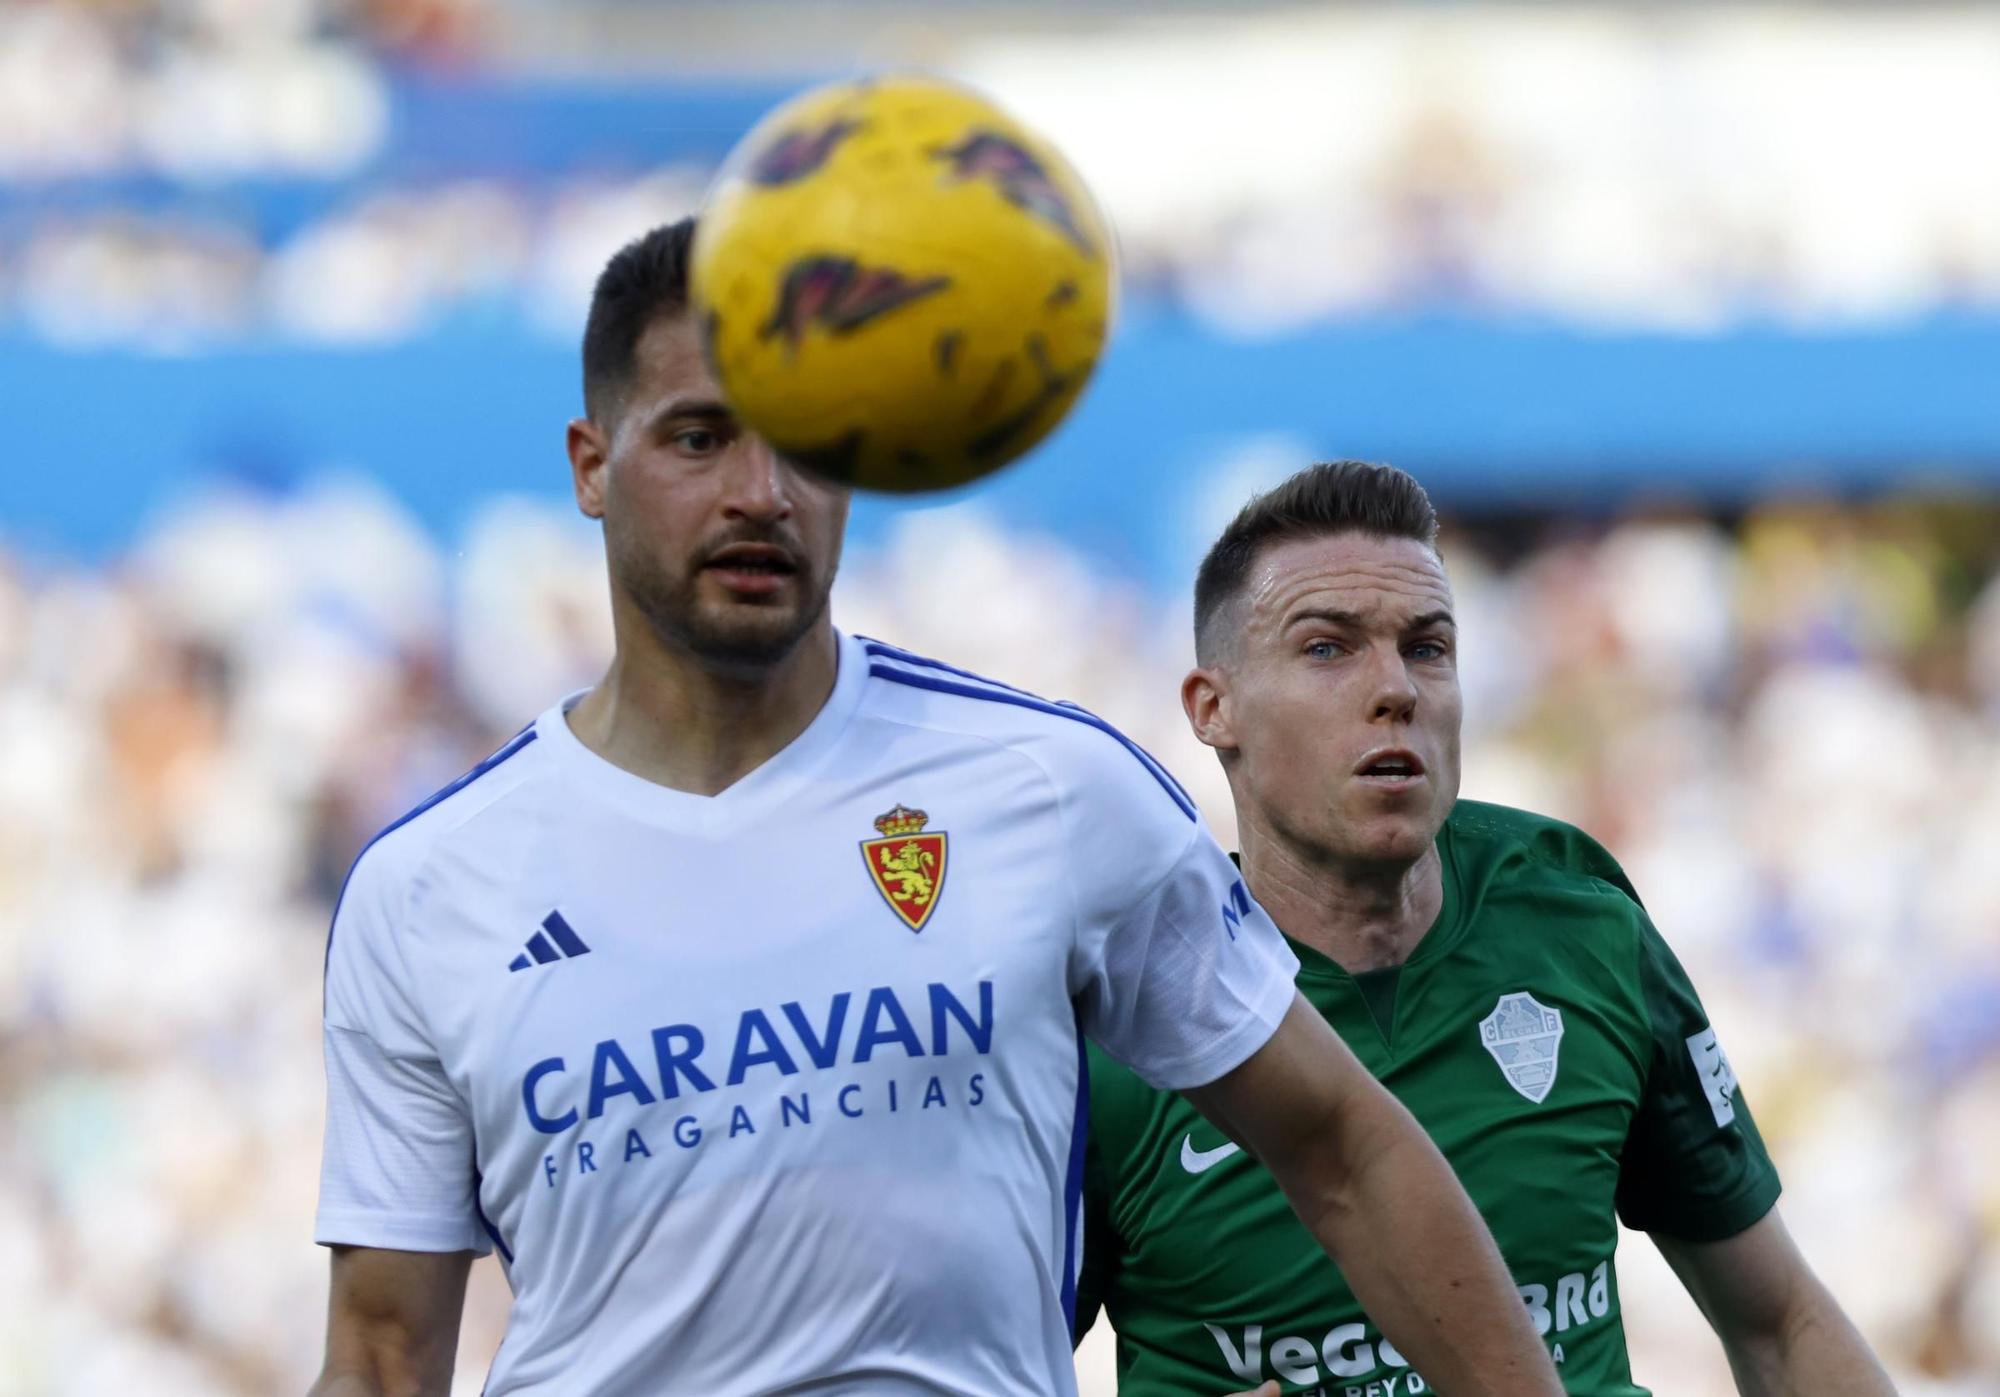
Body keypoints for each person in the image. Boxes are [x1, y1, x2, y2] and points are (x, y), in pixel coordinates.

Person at [307, 222, 1560, 1397]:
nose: (761, 491)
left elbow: (1345, 1150)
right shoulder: (429, 889)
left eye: (808, 442)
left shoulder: (1048, 786)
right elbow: (377, 1346)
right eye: (699, 438)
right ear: (592, 465)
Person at [1074, 460, 1896, 1396]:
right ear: (1211, 708)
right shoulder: (1123, 1011)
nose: (1396, 690)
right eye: (1327, 649)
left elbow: (1780, 1322)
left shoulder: (1577, 919)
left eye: (1428, 647)